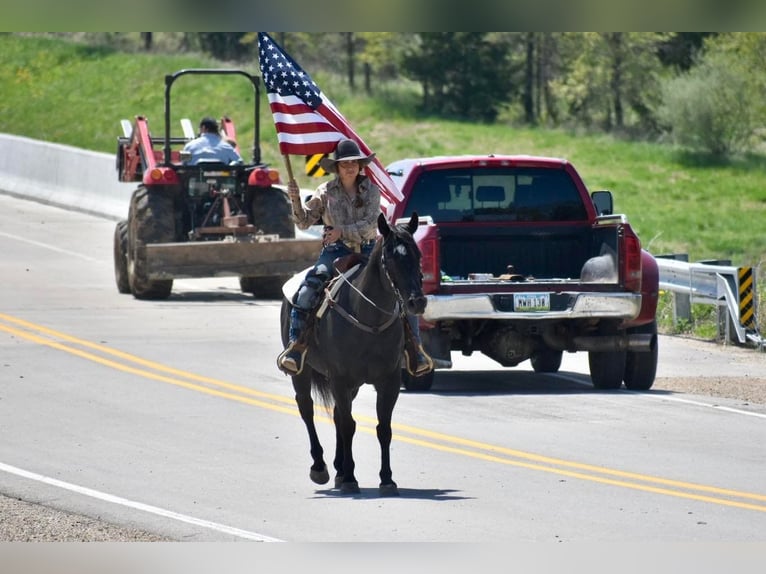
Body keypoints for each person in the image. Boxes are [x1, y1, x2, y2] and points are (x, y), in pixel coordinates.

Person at [277, 138, 432, 377]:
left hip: (369, 251)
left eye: (354, 163)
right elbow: (304, 221)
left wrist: (341, 230)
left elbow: (370, 223)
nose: (349, 167)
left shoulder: (371, 190)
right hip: (335, 252)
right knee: (309, 290)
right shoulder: (325, 191)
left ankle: (415, 349)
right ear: (336, 167)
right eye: (344, 163)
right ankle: (297, 347)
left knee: (401, 292)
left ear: (361, 166)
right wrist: (295, 200)